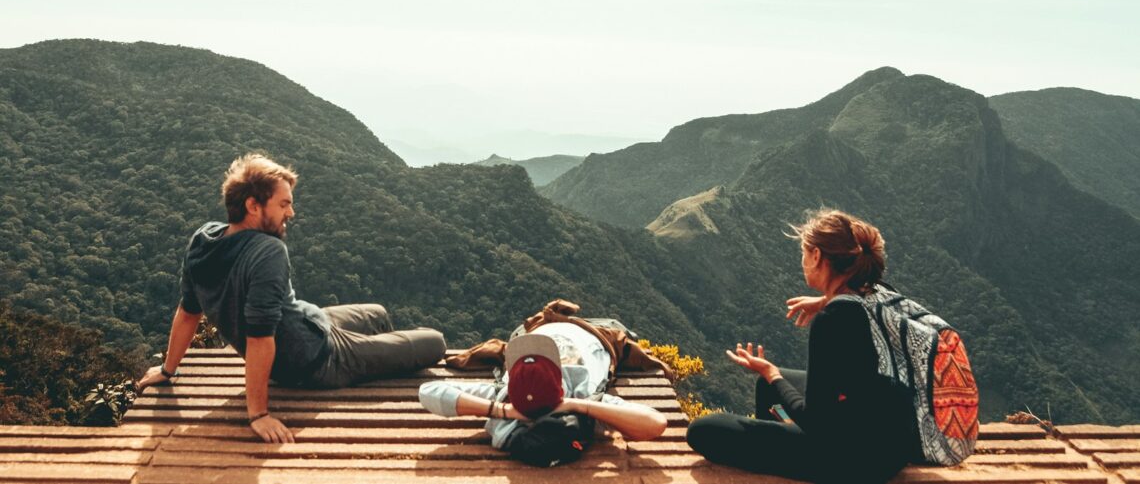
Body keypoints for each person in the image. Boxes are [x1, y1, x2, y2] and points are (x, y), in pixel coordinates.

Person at [137, 153, 447, 443]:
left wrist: (168, 369)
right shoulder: (268, 251)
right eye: (284, 204)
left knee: (377, 313)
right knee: (435, 342)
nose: (291, 213)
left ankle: (381, 353)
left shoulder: (203, 240)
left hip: (309, 323)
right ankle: (376, 357)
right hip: (316, 359)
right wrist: (258, 414)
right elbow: (259, 337)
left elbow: (188, 311)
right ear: (253, 206)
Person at [686, 208, 922, 484]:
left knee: (703, 430)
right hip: (893, 444)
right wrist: (824, 299)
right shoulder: (881, 292)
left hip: (855, 463)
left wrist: (772, 373)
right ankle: (787, 447)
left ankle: (794, 453)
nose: (802, 261)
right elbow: (856, 301)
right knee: (767, 388)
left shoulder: (831, 322)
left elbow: (816, 422)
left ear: (817, 256)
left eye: (804, 253)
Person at [418, 321, 668, 454]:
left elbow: (427, 391)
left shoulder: (504, 396)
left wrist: (502, 410)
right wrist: (575, 404)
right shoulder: (583, 395)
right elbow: (656, 424)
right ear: (560, 377)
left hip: (532, 329)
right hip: (594, 332)